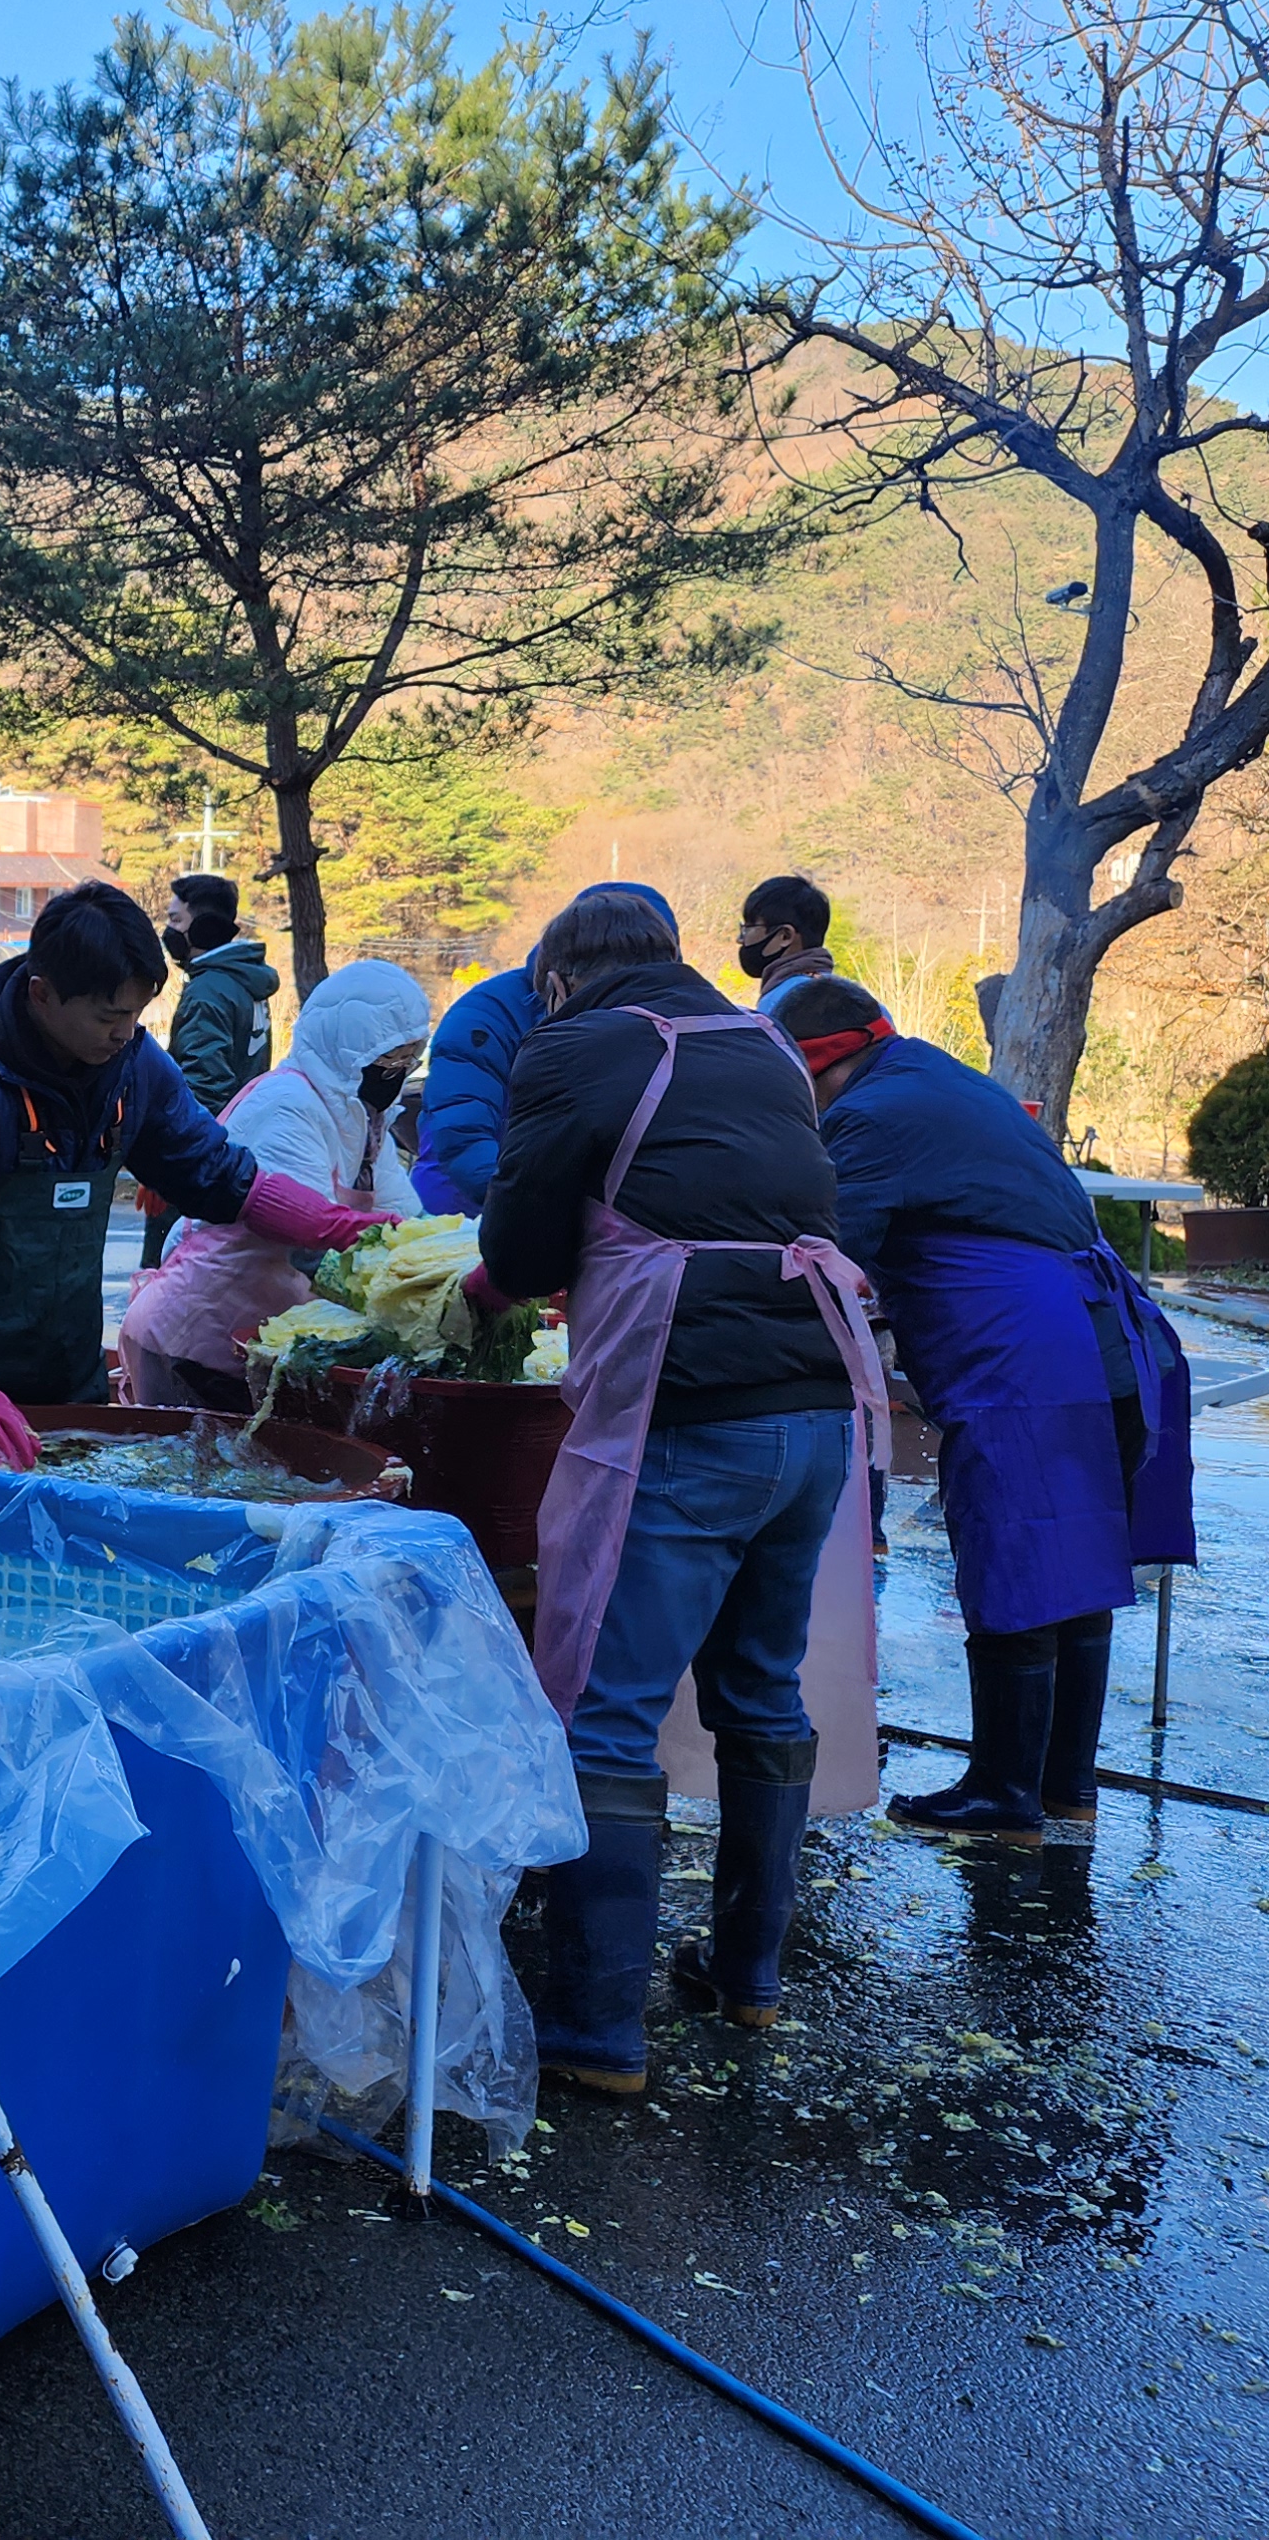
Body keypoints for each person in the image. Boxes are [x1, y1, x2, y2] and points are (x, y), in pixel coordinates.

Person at [479, 887, 882, 2092]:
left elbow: (521, 1252)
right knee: (758, 1685)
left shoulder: (573, 1040)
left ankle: (594, 2027)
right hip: (816, 1405)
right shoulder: (759, 1038)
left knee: (608, 1712)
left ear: (558, 977)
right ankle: (746, 1976)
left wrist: (491, 1291)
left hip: (688, 1405)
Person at [770, 975, 1193, 1842]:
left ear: (814, 1068)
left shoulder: (870, 1119)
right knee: (1080, 1570)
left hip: (1025, 1352)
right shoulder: (939, 1076)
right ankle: (1064, 1784)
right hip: (1106, 1335)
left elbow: (825, 1257)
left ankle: (1004, 1793)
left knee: (1020, 1555)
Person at [0, 882, 383, 1465]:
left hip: (69, 1387)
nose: (124, 1032)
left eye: (137, 1014)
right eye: (109, 1015)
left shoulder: (132, 1067)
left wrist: (344, 1229)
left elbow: (222, 1177)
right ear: (42, 995)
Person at [120, 959, 427, 1413]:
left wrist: (440, 1256)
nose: (398, 1072)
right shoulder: (287, 1105)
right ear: (349, 1050)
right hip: (198, 1340)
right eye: (389, 1060)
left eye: (410, 1060)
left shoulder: (364, 1117)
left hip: (265, 1342)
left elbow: (405, 1219)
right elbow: (312, 1247)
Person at [414, 883, 680, 1215]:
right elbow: (462, 1128)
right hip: (465, 1208)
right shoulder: (489, 1014)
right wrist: (523, 1210)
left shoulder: (671, 1018)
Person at [142, 875, 281, 1266]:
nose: (169, 931)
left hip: (195, 1160)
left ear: (203, 927)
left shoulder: (210, 991)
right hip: (230, 1149)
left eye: (176, 920)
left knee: (166, 1282)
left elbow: (206, 1085)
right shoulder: (242, 982)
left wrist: (165, 1166)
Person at [736, 873, 835, 996]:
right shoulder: (837, 992)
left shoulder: (788, 998)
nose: (739, 939)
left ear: (785, 936)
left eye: (748, 927)